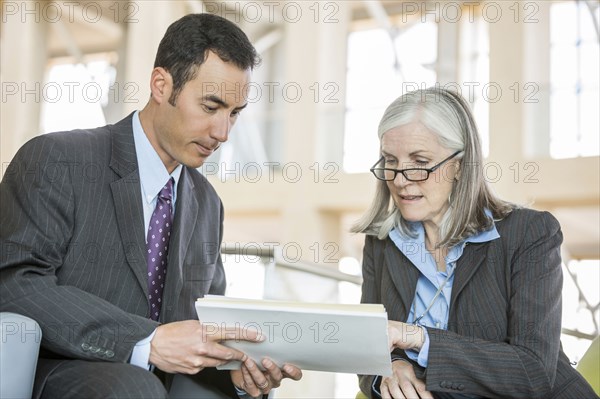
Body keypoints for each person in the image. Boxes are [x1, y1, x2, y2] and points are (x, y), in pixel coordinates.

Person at [0, 13, 302, 399]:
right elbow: (14, 283)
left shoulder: (208, 204)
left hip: (159, 382)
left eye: (234, 113)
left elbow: (205, 318)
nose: (223, 132)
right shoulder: (60, 160)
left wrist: (239, 369)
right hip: (63, 368)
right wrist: (146, 340)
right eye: (211, 107)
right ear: (161, 85)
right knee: (134, 388)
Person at [352, 88, 597, 399]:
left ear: (460, 164)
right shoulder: (382, 241)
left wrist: (416, 337)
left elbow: (531, 371)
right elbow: (367, 346)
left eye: (420, 162)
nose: (400, 179)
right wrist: (393, 364)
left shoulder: (529, 234)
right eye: (390, 161)